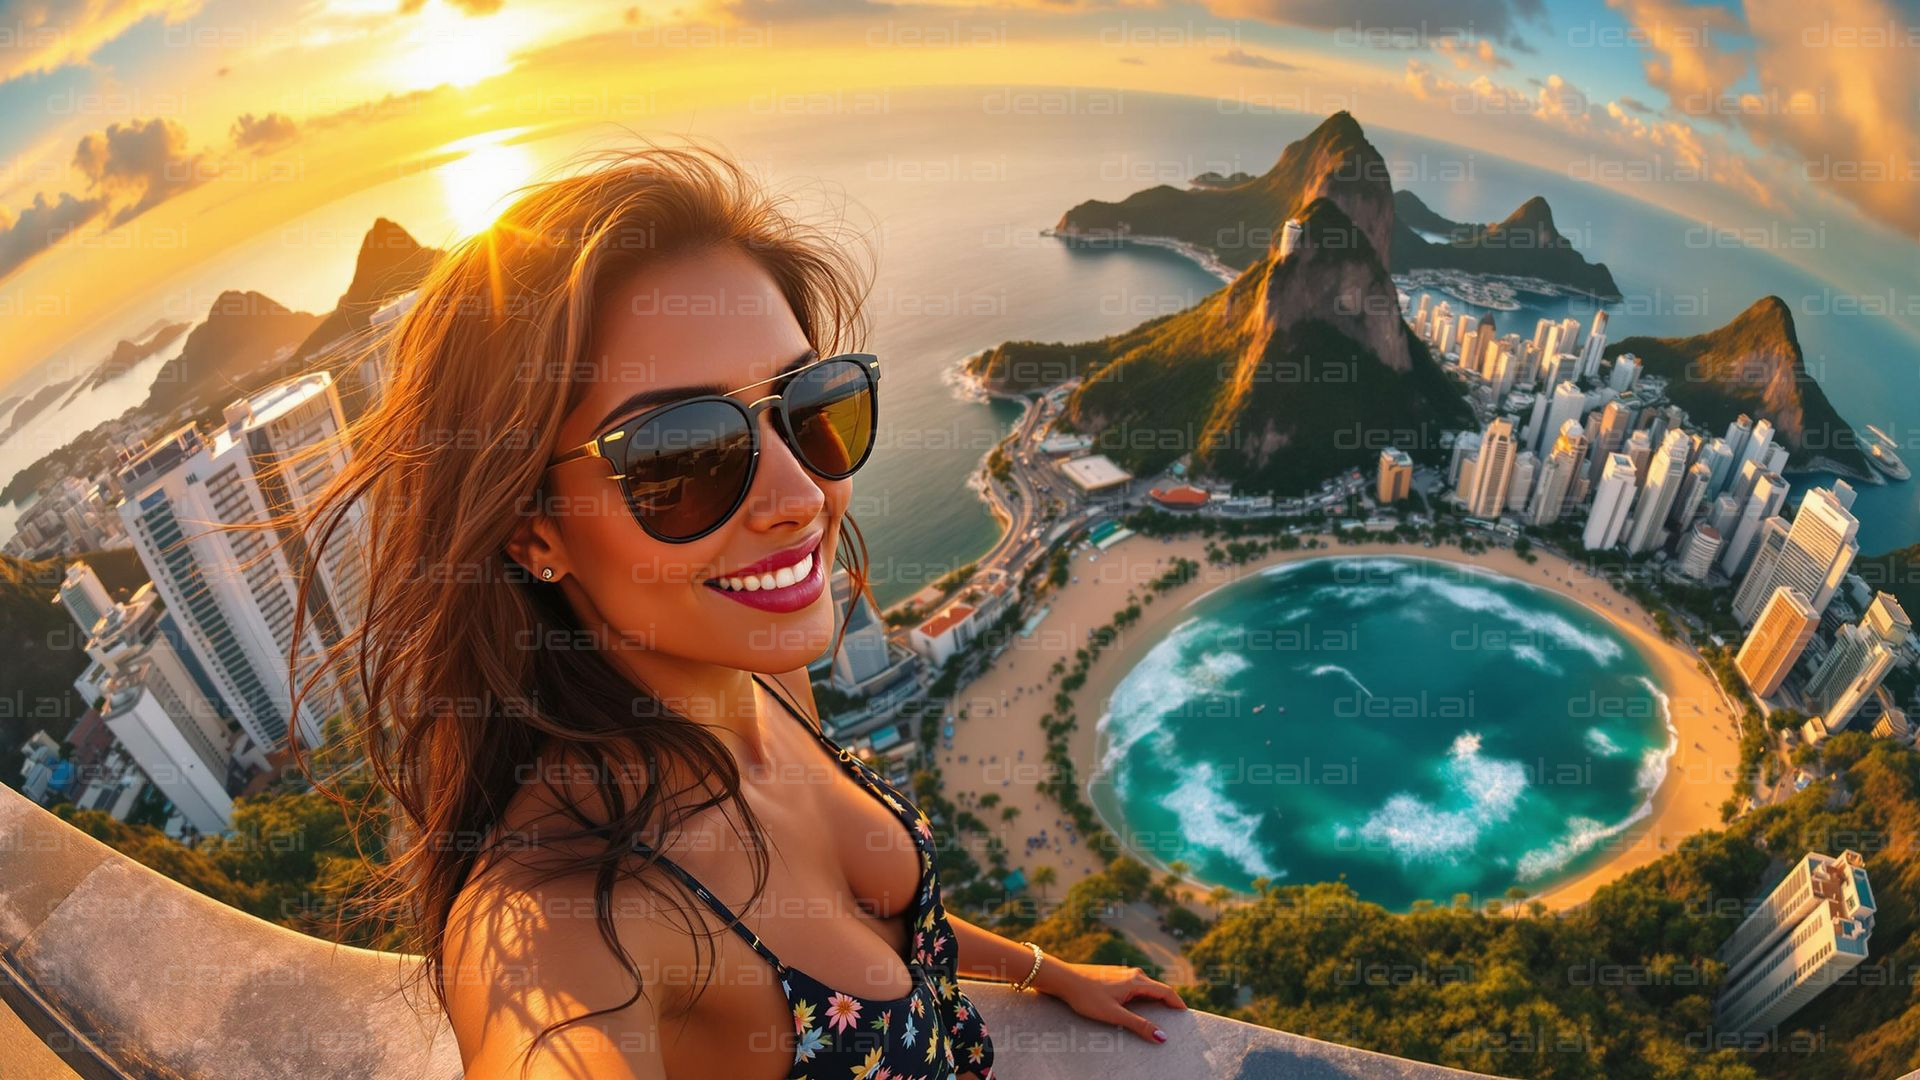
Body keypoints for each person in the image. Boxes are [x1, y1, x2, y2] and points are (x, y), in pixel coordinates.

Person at [285, 144, 1182, 1080]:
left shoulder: (764, 672)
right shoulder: (569, 913)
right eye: (682, 457)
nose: (800, 493)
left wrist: (1042, 968)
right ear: (531, 533)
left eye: (810, 403)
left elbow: (865, 924)